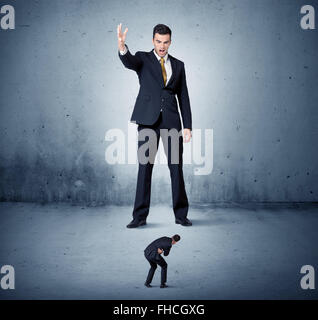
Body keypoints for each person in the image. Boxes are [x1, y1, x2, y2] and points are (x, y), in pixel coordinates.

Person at [117, 23, 192, 228]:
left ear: (170, 42)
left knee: (176, 168)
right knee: (145, 168)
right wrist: (123, 47)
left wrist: (188, 126)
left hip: (172, 122)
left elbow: (184, 97)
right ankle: (139, 217)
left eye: (165, 42)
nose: (162, 46)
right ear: (153, 41)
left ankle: (181, 215)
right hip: (148, 122)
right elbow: (129, 61)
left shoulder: (179, 65)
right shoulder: (143, 58)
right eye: (158, 41)